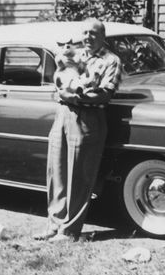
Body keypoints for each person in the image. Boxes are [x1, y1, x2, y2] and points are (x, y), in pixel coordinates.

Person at [34, 19, 122, 242]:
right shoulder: (74, 54)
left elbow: (105, 94)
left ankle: (69, 231)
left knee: (78, 176)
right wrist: (66, 93)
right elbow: (58, 79)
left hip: (88, 118)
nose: (88, 37)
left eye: (93, 33)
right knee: (57, 171)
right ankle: (54, 225)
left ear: (102, 36)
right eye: (84, 32)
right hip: (63, 114)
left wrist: (72, 95)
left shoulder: (111, 61)